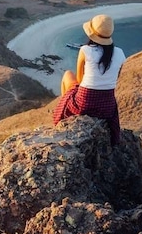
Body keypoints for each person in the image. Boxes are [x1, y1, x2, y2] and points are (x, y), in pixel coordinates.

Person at [52, 14, 126, 145]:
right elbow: (116, 78)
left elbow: (80, 80)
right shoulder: (120, 53)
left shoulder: (85, 50)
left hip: (84, 103)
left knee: (68, 75)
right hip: (107, 106)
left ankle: (66, 112)